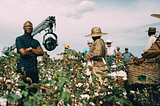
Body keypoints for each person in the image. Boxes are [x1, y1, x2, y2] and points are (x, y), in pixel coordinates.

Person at [15, 21, 44, 105]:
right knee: (24, 94)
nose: (29, 27)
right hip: (24, 70)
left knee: (34, 93)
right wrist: (35, 52)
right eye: (27, 26)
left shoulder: (35, 42)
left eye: (30, 26)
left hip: (34, 70)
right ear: (23, 28)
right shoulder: (19, 39)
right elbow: (23, 53)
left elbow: (41, 52)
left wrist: (30, 50)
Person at [85, 27, 108, 92]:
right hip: (101, 63)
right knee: (101, 80)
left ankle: (99, 95)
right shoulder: (101, 41)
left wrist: (87, 55)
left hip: (97, 64)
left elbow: (97, 53)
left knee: (98, 81)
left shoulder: (98, 42)